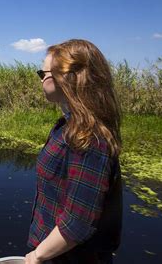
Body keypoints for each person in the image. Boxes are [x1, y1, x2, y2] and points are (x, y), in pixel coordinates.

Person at [25, 39, 123, 264]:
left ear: (65, 77)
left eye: (43, 73)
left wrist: (37, 256)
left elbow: (77, 223)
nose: (41, 80)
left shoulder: (89, 138)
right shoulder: (68, 127)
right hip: (54, 252)